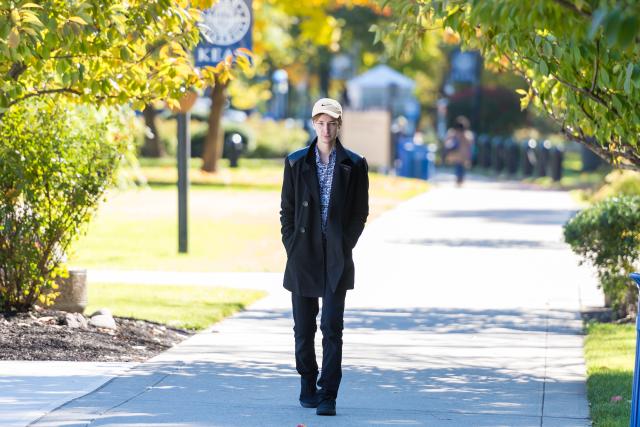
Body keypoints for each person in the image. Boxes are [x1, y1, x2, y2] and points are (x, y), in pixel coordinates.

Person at [279, 98, 369, 416]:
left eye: (331, 122)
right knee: (303, 327)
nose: (326, 128)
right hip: (303, 254)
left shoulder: (355, 165)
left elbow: (360, 212)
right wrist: (291, 244)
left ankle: (328, 393)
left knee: (332, 326)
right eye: (320, 122)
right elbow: (286, 210)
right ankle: (307, 382)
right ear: (313, 124)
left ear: (339, 124)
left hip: (336, 256)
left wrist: (345, 244)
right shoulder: (295, 163)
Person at [444, 116, 474, 185]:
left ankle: (460, 179)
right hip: (460, 154)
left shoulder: (466, 134)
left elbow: (470, 144)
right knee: (459, 166)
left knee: (460, 166)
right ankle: (459, 179)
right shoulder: (453, 133)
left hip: (461, 154)